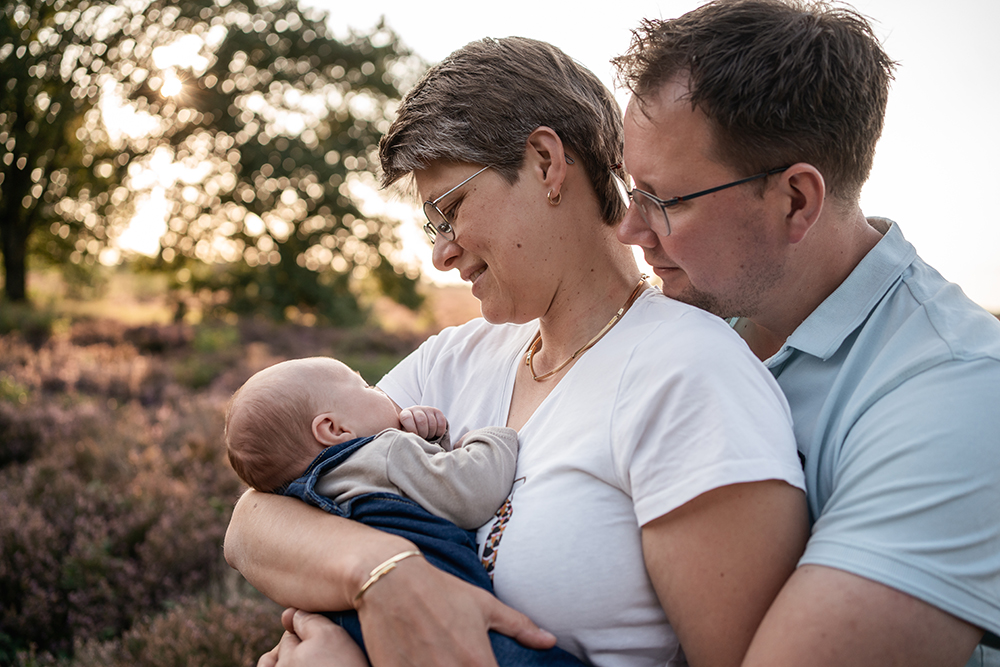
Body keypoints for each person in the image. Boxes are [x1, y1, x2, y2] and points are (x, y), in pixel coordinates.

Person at [226, 36, 809, 667]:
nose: (440, 252)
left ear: (545, 162)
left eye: (450, 210)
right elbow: (254, 521)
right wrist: (385, 575)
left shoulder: (690, 374)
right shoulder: (451, 360)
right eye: (433, 225)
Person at [608, 1, 1000, 666]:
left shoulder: (958, 397)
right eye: (630, 190)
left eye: (664, 201)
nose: (630, 230)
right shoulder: (687, 316)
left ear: (796, 201)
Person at [224, 356, 585, 666]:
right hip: (445, 625)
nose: (380, 392)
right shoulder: (388, 451)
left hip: (349, 631)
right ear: (334, 429)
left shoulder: (304, 493)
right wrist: (492, 438)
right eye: (364, 385)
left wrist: (428, 444)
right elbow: (471, 494)